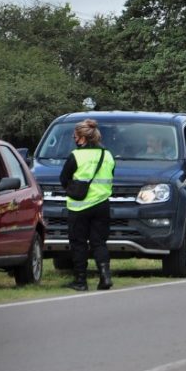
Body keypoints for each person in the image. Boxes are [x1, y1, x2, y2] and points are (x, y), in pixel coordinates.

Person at [60, 118, 116, 291]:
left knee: (79, 243)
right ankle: (105, 277)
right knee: (99, 242)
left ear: (82, 138)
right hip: (102, 205)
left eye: (74, 136)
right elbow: (111, 175)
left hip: (79, 207)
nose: (74, 139)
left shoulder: (76, 155)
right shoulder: (107, 155)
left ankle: (81, 281)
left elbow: (63, 179)